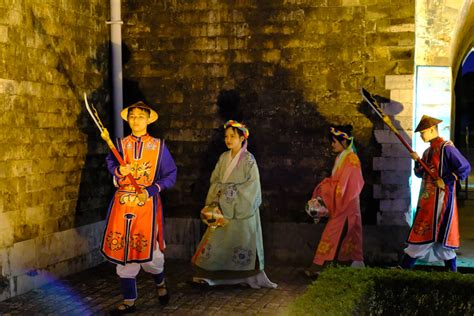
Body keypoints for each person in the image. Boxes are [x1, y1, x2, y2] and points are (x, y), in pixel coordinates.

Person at [101, 101, 177, 314]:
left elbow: (171, 175)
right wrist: (119, 171)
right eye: (132, 116)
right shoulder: (119, 144)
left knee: (150, 253)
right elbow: (111, 164)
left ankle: (160, 282)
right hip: (123, 205)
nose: (136, 120)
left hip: (146, 206)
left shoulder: (159, 146)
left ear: (148, 120)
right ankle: (129, 300)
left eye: (140, 116)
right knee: (124, 250)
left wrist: (152, 190)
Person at [191, 120, 277, 289]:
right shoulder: (223, 157)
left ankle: (245, 277)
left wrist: (228, 195)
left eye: (232, 136)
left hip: (241, 211)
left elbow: (252, 186)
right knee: (216, 243)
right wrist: (217, 199)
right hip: (221, 210)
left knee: (241, 244)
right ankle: (210, 276)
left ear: (242, 138)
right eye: (226, 136)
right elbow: (215, 180)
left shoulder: (249, 160)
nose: (228, 140)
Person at [401, 115, 471, 272]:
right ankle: (451, 274)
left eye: (423, 132)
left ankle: (403, 269)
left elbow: (464, 167)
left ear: (432, 130)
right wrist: (417, 160)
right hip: (427, 200)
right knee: (438, 240)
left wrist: (446, 180)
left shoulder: (447, 148)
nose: (421, 136)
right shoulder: (427, 152)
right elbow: (420, 173)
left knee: (428, 233)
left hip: (441, 199)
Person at [305, 125, 365, 277]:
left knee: (336, 235)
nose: (332, 145)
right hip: (341, 203)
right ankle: (325, 267)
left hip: (346, 204)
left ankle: (322, 267)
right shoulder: (342, 157)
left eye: (334, 142)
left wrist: (330, 192)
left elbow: (348, 185)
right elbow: (338, 183)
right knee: (338, 235)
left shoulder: (351, 159)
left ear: (344, 142)